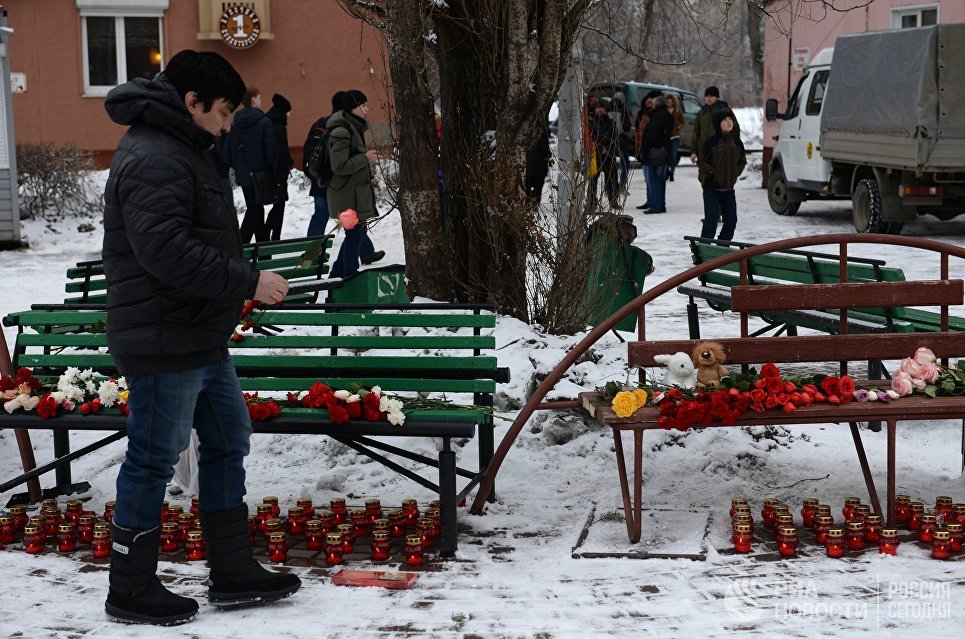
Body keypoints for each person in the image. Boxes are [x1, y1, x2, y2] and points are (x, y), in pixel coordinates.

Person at [102, 49, 300, 626]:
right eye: (222, 111)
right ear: (191, 102)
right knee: (154, 457)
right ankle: (131, 587)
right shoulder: (155, 155)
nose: (229, 122)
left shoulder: (179, 147)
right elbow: (163, 251)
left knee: (225, 437)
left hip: (197, 333)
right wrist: (247, 280)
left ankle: (232, 568)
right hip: (164, 337)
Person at [326, 89, 384, 278]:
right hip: (345, 196)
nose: (367, 109)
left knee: (355, 235)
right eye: (363, 105)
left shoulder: (353, 128)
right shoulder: (342, 131)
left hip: (353, 195)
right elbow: (339, 166)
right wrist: (365, 158)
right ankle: (349, 275)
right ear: (353, 108)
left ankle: (337, 275)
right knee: (354, 235)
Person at [222, 86, 278, 243]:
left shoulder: (236, 124)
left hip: (244, 176)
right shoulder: (265, 122)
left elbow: (227, 152)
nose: (261, 100)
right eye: (259, 97)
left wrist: (239, 166)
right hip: (262, 174)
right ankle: (241, 244)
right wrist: (270, 169)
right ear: (253, 100)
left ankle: (264, 250)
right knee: (255, 210)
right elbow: (271, 150)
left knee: (256, 210)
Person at [697, 112, 746, 240]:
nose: (729, 122)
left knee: (731, 222)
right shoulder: (711, 142)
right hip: (712, 189)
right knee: (711, 223)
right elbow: (701, 161)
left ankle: (722, 249)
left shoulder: (737, 142)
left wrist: (736, 171)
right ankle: (704, 252)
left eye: (730, 119)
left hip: (729, 190)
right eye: (725, 119)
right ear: (718, 124)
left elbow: (742, 161)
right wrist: (714, 171)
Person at [305, 91, 345, 237]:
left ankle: (310, 253)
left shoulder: (319, 123)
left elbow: (307, 153)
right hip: (337, 182)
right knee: (350, 218)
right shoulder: (343, 126)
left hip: (319, 180)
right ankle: (365, 251)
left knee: (320, 215)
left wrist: (313, 175)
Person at [264, 93, 294, 241]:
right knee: (280, 203)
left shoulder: (270, 122)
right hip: (279, 171)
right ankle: (274, 234)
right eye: (289, 111)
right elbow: (281, 149)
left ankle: (270, 231)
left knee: (278, 203)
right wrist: (288, 163)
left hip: (273, 169)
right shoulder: (278, 125)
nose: (290, 115)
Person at [689, 86, 740, 169]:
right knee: (705, 178)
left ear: (716, 97)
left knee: (719, 177)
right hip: (704, 151)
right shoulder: (702, 112)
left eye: (711, 96)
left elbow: (735, 129)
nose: (709, 99)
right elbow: (696, 133)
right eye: (707, 96)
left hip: (720, 151)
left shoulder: (724, 110)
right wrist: (694, 151)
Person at [639, 95, 673, 214]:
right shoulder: (668, 115)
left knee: (654, 180)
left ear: (656, 105)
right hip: (664, 151)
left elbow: (651, 135)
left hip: (654, 152)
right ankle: (661, 205)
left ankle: (656, 206)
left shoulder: (656, 116)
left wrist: (645, 149)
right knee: (661, 181)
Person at [589, 100, 620, 210]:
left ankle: (613, 200)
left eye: (602, 107)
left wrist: (608, 148)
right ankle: (592, 202)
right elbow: (591, 138)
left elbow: (614, 137)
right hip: (595, 156)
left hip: (609, 155)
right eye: (598, 107)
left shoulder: (611, 122)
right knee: (593, 179)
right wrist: (600, 148)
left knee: (612, 178)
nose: (600, 109)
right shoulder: (591, 123)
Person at [633, 89, 661, 210]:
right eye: (649, 98)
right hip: (642, 147)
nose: (650, 100)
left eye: (653, 98)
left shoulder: (655, 114)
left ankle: (653, 201)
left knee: (652, 178)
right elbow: (638, 130)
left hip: (652, 149)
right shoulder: (642, 113)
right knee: (647, 177)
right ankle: (650, 200)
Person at [612, 91, 634, 190]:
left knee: (611, 165)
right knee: (625, 163)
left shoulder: (608, 108)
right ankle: (622, 184)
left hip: (609, 140)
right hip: (621, 139)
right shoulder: (623, 110)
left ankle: (609, 187)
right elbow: (627, 127)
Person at [525, 125, 552, 204]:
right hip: (539, 168)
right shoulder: (542, 132)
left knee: (527, 188)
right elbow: (544, 149)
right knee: (538, 188)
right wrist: (548, 155)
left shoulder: (525, 130)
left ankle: (527, 205)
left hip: (527, 167)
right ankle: (534, 206)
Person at [662, 92, 685, 182]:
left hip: (675, 136)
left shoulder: (677, 111)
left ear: (674, 102)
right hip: (666, 136)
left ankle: (672, 172)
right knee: (666, 154)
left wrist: (679, 127)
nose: (669, 103)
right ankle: (666, 171)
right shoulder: (663, 111)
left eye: (671, 102)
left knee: (673, 155)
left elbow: (683, 122)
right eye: (668, 102)